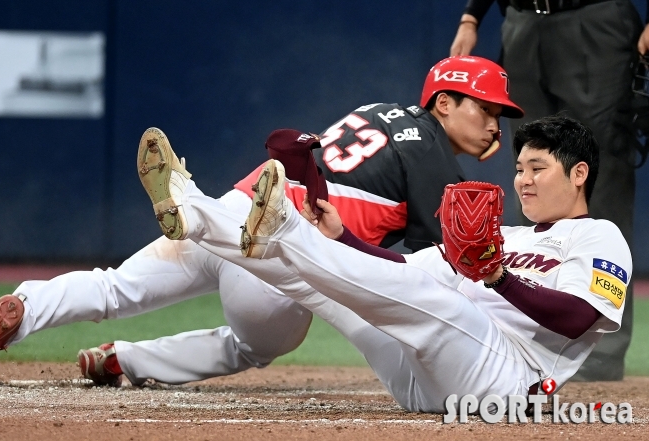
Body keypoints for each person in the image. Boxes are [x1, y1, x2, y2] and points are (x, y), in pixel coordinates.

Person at [0, 56, 522, 392]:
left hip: (236, 204)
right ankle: (129, 359)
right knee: (253, 347)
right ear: (443, 104)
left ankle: (28, 306)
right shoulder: (432, 153)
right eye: (486, 109)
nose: (496, 125)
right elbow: (433, 270)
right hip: (280, 250)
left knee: (113, 285)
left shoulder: (379, 112)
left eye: (499, 115)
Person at [133, 114, 632, 412]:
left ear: (579, 173)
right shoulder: (502, 234)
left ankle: (282, 226)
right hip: (427, 379)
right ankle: (195, 211)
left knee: (443, 303)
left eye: (537, 168)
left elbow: (578, 316)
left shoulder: (598, 235)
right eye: (519, 168)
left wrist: (496, 276)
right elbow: (404, 277)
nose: (522, 180)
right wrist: (341, 236)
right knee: (323, 287)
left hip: (509, 383)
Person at [449, 0, 646, 381]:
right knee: (533, 175)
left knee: (596, 178)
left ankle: (600, 350)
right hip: (522, 21)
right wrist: (472, 15)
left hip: (594, 18)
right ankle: (522, 332)